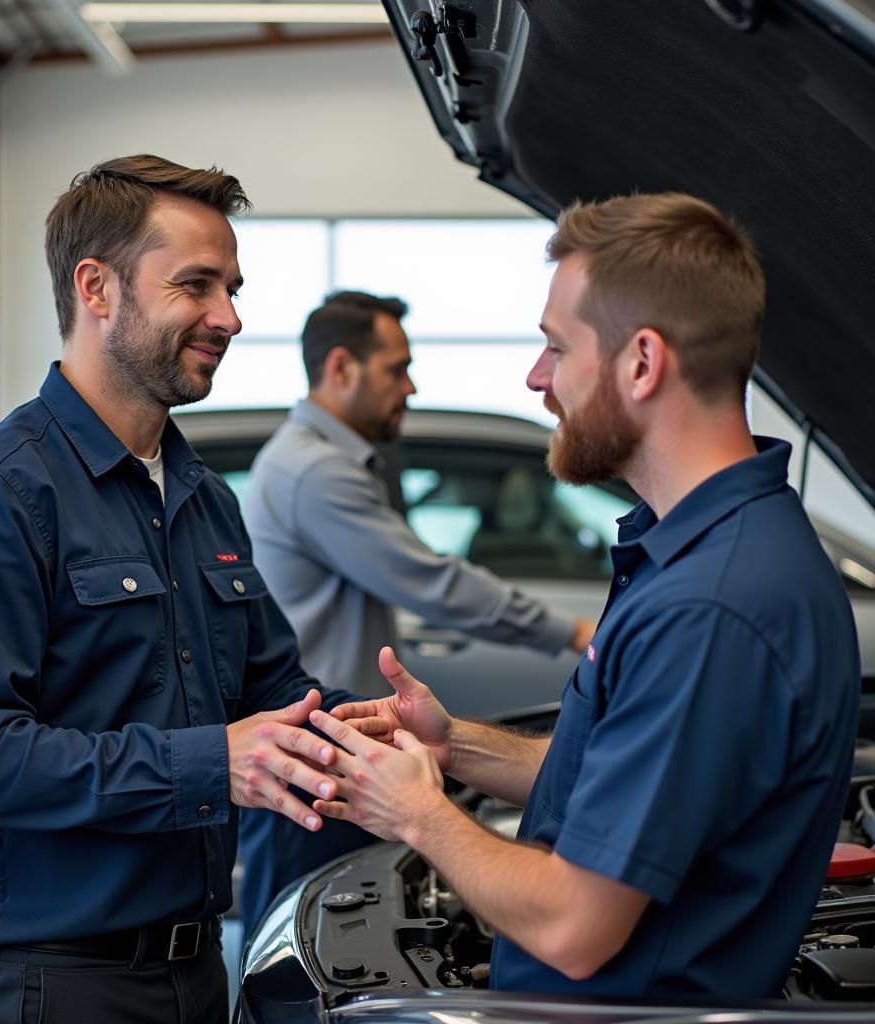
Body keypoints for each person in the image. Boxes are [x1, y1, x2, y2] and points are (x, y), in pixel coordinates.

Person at [307, 193, 860, 999]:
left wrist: (419, 814)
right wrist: (449, 746)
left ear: (642, 362)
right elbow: (608, 783)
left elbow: (576, 926)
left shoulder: (712, 608)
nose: (537, 378)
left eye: (556, 348)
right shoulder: (703, 557)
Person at [0, 155, 354, 1024]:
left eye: (233, 287)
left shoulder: (204, 498)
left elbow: (272, 694)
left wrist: (378, 729)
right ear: (96, 288)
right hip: (46, 990)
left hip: (194, 976)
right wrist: (212, 760)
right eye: (197, 285)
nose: (230, 317)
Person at [238, 290, 595, 934]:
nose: (410, 386)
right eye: (395, 368)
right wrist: (570, 629)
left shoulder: (344, 461)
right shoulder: (314, 472)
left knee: (337, 923)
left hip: (339, 736)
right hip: (321, 745)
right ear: (341, 367)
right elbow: (430, 582)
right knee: (306, 935)